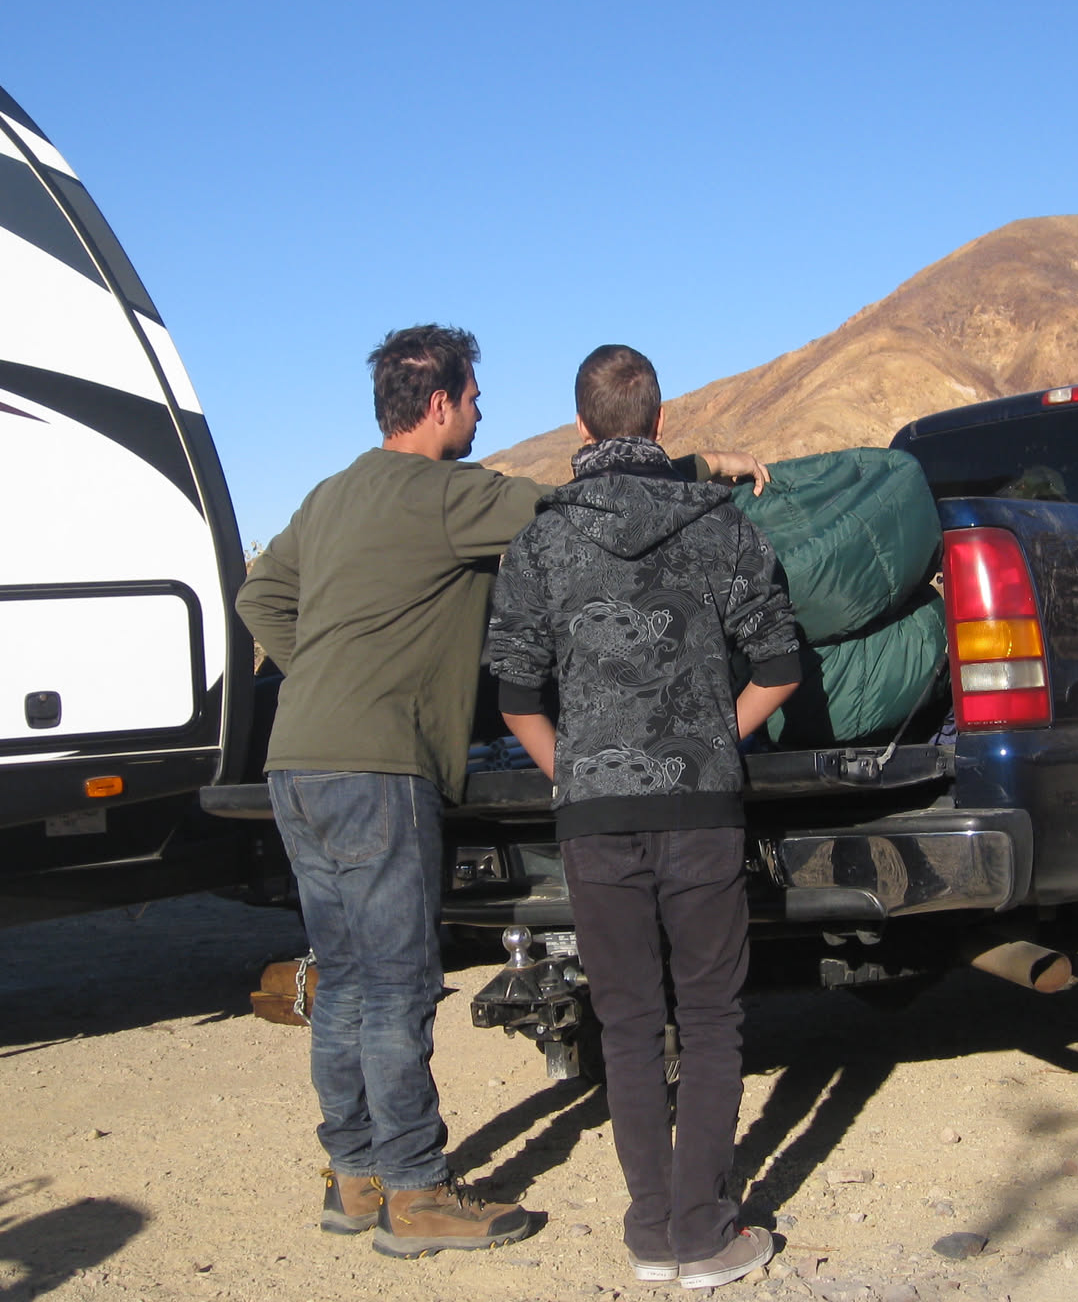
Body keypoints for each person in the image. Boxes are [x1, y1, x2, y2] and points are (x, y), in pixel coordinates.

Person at [236, 325, 769, 1259]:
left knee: (345, 974)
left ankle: (354, 1176)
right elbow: (586, 505)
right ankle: (415, 1192)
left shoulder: (328, 495)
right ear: (439, 403)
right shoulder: (451, 495)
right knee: (399, 979)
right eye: (475, 397)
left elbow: (260, 598)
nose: (481, 413)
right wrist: (698, 465)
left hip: (296, 760)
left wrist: (321, 670)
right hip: (378, 761)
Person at [484, 344, 802, 1289]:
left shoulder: (539, 542)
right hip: (701, 806)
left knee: (624, 1025)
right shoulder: (720, 524)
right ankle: (704, 1232)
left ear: (582, 428)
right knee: (709, 1019)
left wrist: (573, 772)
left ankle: (653, 1233)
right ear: (660, 423)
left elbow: (515, 694)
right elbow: (781, 666)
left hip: (592, 817)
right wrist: (714, 742)